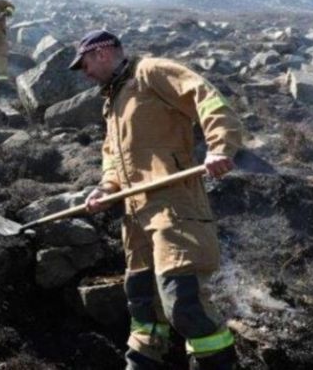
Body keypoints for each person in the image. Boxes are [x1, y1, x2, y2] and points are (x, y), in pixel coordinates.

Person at [71, 29, 242, 370]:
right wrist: (105, 189)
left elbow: (204, 96)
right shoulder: (113, 102)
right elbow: (113, 158)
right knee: (143, 309)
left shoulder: (149, 72)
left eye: (85, 63)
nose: (85, 73)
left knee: (184, 304)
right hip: (134, 218)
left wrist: (220, 146)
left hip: (173, 206)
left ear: (102, 53)